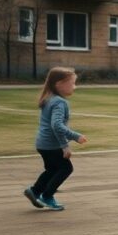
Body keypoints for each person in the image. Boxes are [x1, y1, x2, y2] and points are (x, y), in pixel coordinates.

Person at [24, 67, 88, 211]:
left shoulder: (49, 98)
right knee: (66, 168)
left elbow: (53, 126)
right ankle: (47, 196)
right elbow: (57, 126)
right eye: (72, 83)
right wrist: (72, 139)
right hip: (51, 145)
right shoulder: (60, 102)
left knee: (52, 169)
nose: (75, 87)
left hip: (42, 143)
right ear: (59, 84)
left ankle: (34, 191)